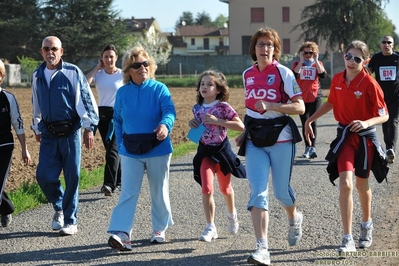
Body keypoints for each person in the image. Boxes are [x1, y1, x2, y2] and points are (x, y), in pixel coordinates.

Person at [305, 40, 389, 253]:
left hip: (365, 138)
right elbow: (331, 102)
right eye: (348, 57)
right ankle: (347, 237)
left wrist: (367, 122)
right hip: (344, 137)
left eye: (357, 59)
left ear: (365, 61)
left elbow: (384, 115)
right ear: (344, 56)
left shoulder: (370, 84)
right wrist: (309, 120)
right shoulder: (337, 79)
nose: (351, 62)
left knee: (362, 185)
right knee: (345, 184)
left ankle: (366, 225)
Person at [235, 27, 305, 265]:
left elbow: (300, 107)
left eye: (269, 45)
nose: (264, 49)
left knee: (281, 193)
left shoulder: (284, 73)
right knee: (258, 192)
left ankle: (294, 217)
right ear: (253, 49)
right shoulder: (247, 74)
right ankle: (262, 247)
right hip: (255, 140)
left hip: (281, 138)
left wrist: (273, 105)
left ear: (275, 50)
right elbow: (250, 109)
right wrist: (244, 133)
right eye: (260, 44)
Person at [107, 46, 176, 251]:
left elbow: (169, 110)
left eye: (145, 64)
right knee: (128, 192)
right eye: (137, 65)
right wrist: (120, 145)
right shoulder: (122, 92)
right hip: (130, 150)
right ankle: (121, 233)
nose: (142, 68)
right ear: (128, 70)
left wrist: (165, 125)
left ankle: (159, 228)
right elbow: (117, 121)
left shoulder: (159, 89)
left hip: (158, 148)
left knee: (158, 191)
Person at [31, 36, 99, 236]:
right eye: (46, 49)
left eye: (54, 48)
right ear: (41, 51)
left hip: (70, 132)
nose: (50, 52)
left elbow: (85, 101)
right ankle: (59, 206)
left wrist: (89, 128)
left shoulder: (72, 72)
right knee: (43, 175)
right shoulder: (37, 75)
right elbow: (36, 103)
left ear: (62, 51)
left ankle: (70, 221)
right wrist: (36, 127)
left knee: (73, 176)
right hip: (49, 134)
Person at [189, 69, 246, 242]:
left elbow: (240, 126)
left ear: (218, 89)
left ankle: (232, 215)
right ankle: (210, 227)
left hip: (222, 153)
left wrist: (218, 121)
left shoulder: (223, 107)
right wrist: (193, 126)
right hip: (205, 153)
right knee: (206, 188)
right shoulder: (197, 108)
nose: (204, 87)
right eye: (202, 84)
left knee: (225, 189)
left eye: (209, 84)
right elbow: (194, 138)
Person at [86, 44, 123, 196]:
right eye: (105, 56)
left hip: (118, 116)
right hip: (101, 116)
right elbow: (85, 83)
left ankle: (109, 184)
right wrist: (97, 67)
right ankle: (120, 181)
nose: (108, 59)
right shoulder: (99, 75)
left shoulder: (122, 75)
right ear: (102, 58)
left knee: (112, 149)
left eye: (111, 56)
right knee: (112, 149)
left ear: (116, 58)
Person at [0, 59, 31, 227]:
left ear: (1, 76)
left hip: (4, 147)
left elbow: (18, 124)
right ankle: (7, 208)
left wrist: (25, 149)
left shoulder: (7, 98)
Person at [292, 41, 327, 159]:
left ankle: (312, 148)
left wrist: (316, 60)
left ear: (314, 53)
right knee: (304, 123)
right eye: (305, 53)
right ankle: (307, 147)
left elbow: (323, 75)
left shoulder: (318, 64)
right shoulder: (298, 63)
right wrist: (301, 60)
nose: (308, 55)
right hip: (302, 98)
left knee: (312, 122)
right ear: (301, 53)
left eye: (310, 53)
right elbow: (294, 75)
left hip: (315, 96)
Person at [368, 35, 399, 164]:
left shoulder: (397, 58)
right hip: (381, 97)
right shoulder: (376, 58)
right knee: (385, 122)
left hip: (396, 96)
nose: (386, 44)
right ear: (380, 45)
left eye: (389, 42)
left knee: (393, 120)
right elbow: (368, 72)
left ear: (393, 44)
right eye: (384, 42)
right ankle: (388, 148)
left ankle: (390, 148)